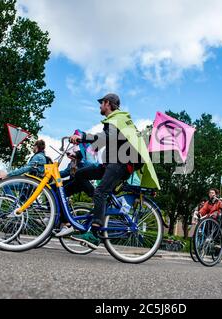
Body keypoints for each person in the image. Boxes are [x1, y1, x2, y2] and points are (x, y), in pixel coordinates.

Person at [63, 93, 161, 249]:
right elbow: (101, 144)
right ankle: (68, 211)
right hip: (112, 163)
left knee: (100, 192)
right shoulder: (116, 120)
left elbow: (106, 137)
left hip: (122, 163)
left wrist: (82, 136)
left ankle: (94, 234)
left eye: (101, 103)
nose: (100, 106)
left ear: (107, 103)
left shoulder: (118, 119)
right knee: (80, 174)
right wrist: (79, 154)